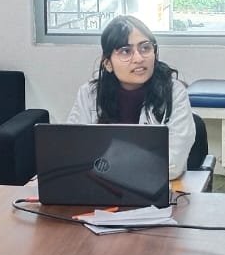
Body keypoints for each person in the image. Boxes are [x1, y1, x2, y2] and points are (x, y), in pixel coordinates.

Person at [67, 14, 196, 180]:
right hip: (99, 187)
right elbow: (73, 152)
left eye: (145, 48)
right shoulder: (89, 94)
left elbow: (172, 165)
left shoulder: (174, 93)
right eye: (126, 51)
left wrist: (108, 164)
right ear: (108, 63)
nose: (139, 58)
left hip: (156, 189)